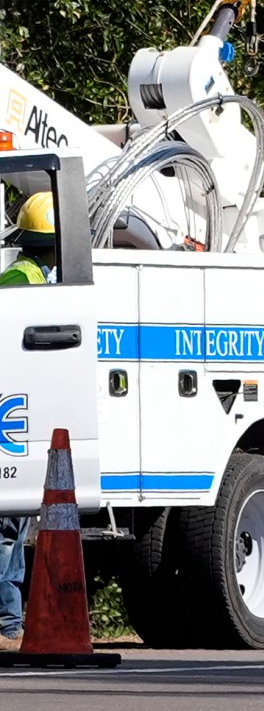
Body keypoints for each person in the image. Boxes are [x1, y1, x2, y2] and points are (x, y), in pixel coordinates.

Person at [0, 194, 56, 652]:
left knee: (15, 527)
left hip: (18, 412)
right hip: (16, 413)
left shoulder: (27, 274)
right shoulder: (27, 281)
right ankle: (7, 622)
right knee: (8, 526)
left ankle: (11, 621)